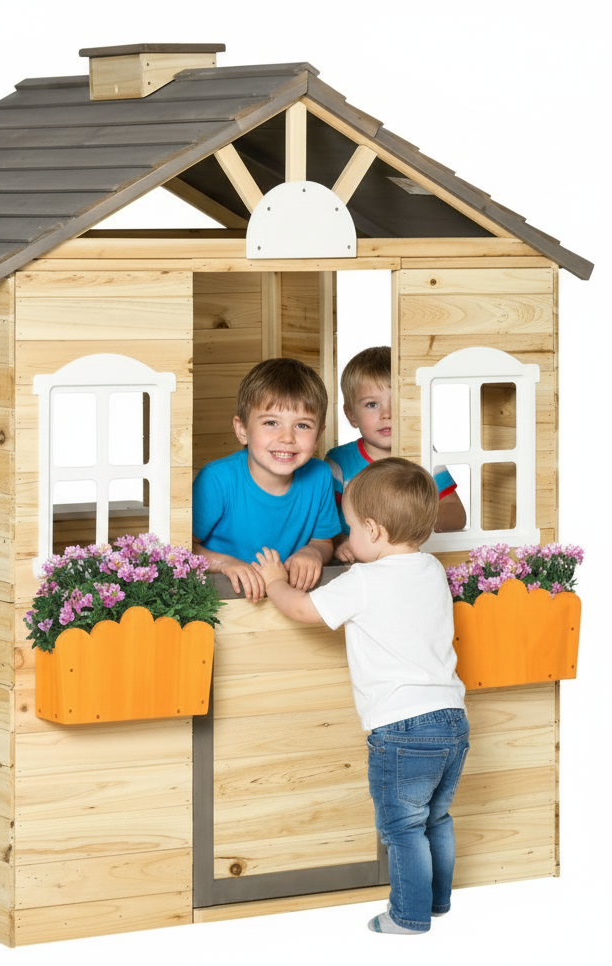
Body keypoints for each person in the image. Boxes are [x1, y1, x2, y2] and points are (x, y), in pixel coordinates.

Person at [253, 458, 468, 934]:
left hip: (401, 728)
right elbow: (394, 580)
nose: (346, 539)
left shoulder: (365, 582)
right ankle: (437, 902)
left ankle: (408, 917)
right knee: (437, 819)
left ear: (373, 529)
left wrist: (273, 582)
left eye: (350, 529)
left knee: (402, 828)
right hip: (453, 720)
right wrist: (362, 555)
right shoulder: (430, 568)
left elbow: (304, 609)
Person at [192, 358, 340, 600]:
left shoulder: (320, 475)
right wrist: (224, 563)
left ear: (319, 434)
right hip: (223, 599)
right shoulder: (217, 479)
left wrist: (312, 552)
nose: (287, 438)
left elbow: (323, 542)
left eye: (302, 426)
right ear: (242, 430)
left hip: (287, 597)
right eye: (271, 423)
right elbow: (182, 547)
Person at [328, 345, 466, 563]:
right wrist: (341, 542)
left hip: (411, 563)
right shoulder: (339, 462)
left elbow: (456, 513)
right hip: (355, 565)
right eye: (372, 404)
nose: (387, 414)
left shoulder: (422, 456)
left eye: (397, 402)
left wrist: (417, 525)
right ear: (351, 415)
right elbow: (325, 520)